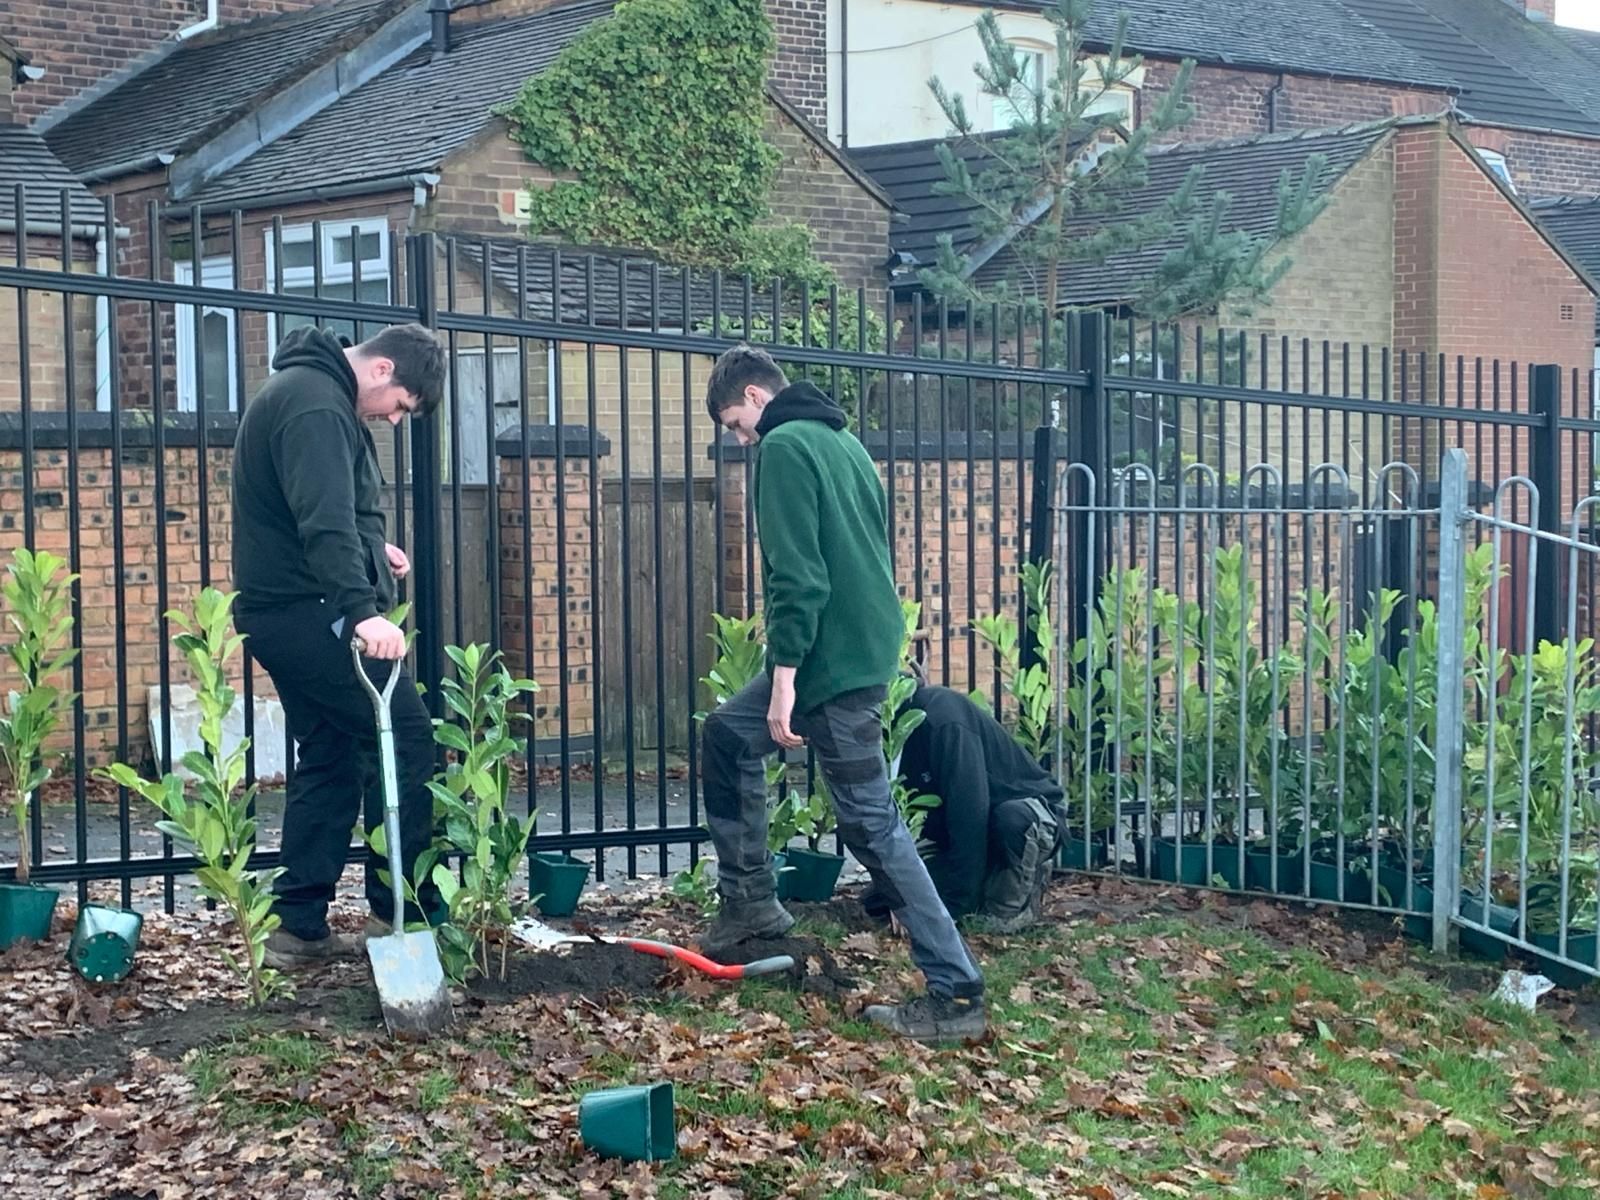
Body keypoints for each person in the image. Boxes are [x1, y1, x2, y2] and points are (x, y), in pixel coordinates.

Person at [698, 344, 986, 1044]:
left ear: (758, 399)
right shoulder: (844, 441)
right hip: (861, 649)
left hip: (831, 665)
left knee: (871, 825)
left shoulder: (787, 448)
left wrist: (785, 682)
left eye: (737, 425)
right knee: (728, 737)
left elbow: (799, 578)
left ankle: (957, 991)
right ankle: (751, 906)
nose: (740, 441)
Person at [230, 322, 447, 971]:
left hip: (287, 611)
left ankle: (296, 925)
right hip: (310, 612)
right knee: (406, 739)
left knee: (331, 751)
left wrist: (370, 553)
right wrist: (361, 611)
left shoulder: (306, 392)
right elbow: (322, 519)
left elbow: (310, 510)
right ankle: (403, 912)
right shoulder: (316, 403)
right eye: (402, 406)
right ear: (382, 370)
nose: (396, 420)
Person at [865, 684, 1065, 934]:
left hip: (1025, 815)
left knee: (1011, 821)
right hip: (957, 829)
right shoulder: (886, 733)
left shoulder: (944, 720)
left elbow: (970, 816)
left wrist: (955, 908)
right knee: (876, 904)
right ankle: (978, 888)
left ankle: (1012, 908)